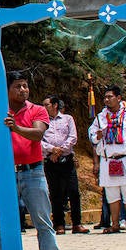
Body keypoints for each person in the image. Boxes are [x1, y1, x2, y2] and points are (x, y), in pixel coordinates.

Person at [0, 72, 65, 250]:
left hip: (33, 172)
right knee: (0, 224)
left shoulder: (37, 110)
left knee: (42, 221)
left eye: (25, 86)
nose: (23, 90)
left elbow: (37, 133)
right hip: (7, 173)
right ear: (7, 90)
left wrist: (15, 127)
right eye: (17, 86)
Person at [88, 85, 126, 233]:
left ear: (118, 98)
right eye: (105, 97)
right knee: (111, 193)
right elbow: (92, 135)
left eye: (110, 97)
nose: (107, 100)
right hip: (108, 159)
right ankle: (114, 224)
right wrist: (97, 136)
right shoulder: (101, 117)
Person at [42, 96, 86, 234]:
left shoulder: (68, 119)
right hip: (51, 161)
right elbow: (39, 140)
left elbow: (73, 137)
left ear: (55, 105)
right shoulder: (42, 122)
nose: (44, 107)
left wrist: (60, 150)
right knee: (55, 193)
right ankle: (59, 224)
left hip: (66, 160)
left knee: (73, 191)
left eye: (46, 105)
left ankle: (77, 223)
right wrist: (52, 150)